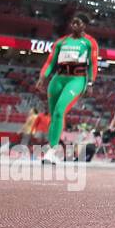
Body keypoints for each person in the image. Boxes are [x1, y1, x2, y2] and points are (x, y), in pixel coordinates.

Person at [33, 11, 100, 165]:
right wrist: (42, 77)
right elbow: (50, 62)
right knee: (54, 116)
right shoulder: (61, 42)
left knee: (59, 110)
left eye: (78, 23)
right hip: (58, 79)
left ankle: (51, 151)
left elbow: (93, 64)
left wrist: (90, 83)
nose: (74, 25)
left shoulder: (90, 42)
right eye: (73, 23)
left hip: (77, 80)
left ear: (84, 25)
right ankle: (51, 151)